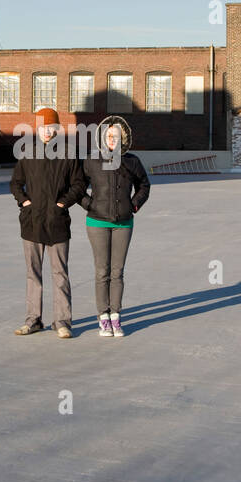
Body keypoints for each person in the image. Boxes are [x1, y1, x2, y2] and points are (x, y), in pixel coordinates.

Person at [9, 107, 86, 338]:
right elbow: (15, 183)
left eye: (50, 128)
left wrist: (62, 204)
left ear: (57, 129)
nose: (46, 132)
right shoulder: (28, 154)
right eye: (42, 128)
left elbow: (79, 185)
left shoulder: (68, 154)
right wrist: (24, 203)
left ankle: (62, 322)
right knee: (33, 274)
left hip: (57, 223)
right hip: (32, 223)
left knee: (59, 273)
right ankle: (33, 320)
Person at [79, 115, 150, 338]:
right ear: (103, 137)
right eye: (109, 136)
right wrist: (89, 204)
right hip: (97, 222)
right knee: (102, 271)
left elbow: (144, 185)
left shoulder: (132, 161)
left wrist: (134, 205)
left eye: (116, 136)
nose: (112, 139)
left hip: (124, 223)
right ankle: (103, 318)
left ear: (123, 138)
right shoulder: (91, 160)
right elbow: (77, 186)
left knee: (117, 272)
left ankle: (116, 317)